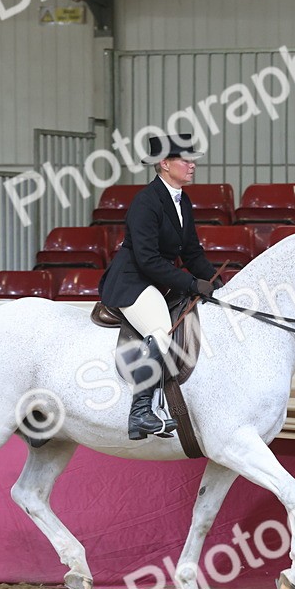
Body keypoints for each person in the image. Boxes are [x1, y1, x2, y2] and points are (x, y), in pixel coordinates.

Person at [98, 134, 223, 441]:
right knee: (161, 331)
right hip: (133, 280)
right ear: (165, 164)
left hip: (158, 280)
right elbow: (148, 259)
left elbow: (192, 253)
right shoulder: (146, 202)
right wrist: (191, 283)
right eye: (186, 160)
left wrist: (217, 285)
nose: (192, 165)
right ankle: (140, 412)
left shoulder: (183, 200)